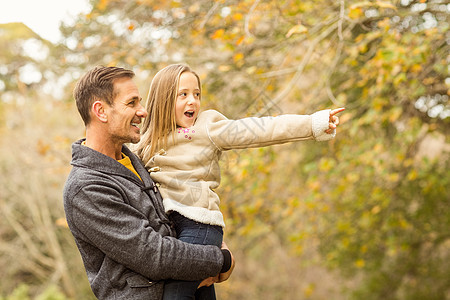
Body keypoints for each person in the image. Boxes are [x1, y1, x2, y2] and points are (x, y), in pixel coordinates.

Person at [134, 63, 345, 299]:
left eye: (196, 94)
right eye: (183, 95)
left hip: (199, 226)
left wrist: (313, 123)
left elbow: (260, 129)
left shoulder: (207, 128)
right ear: (162, 100)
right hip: (171, 231)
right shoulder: (145, 143)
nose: (192, 101)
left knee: (174, 295)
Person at [63, 65, 234, 300]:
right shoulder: (86, 188)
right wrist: (220, 260)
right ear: (101, 111)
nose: (143, 112)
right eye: (132, 103)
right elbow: (153, 254)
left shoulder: (136, 160)